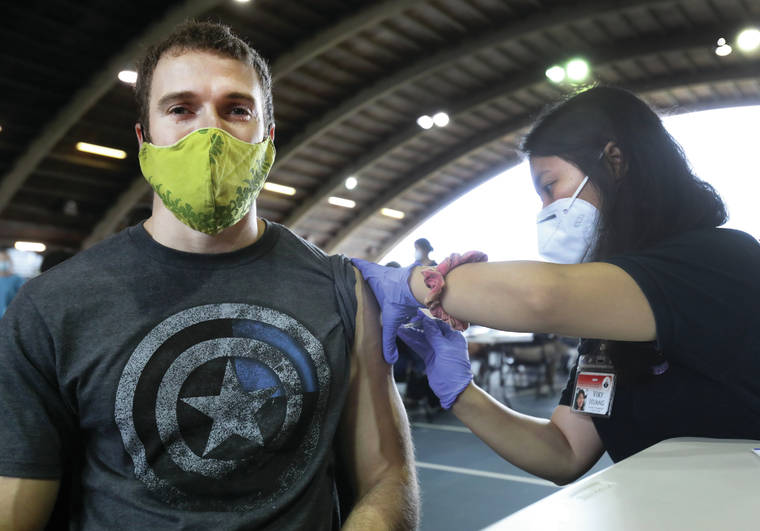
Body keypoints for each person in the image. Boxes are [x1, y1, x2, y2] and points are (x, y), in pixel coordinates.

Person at [0, 22, 417, 530]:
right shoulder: (52, 307)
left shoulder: (341, 289)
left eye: (236, 110)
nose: (209, 134)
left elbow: (386, 475)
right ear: (144, 137)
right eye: (180, 109)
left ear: (267, 137)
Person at [355, 86, 760, 485]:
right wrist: (459, 390)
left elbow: (541, 297)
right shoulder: (607, 326)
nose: (547, 210)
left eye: (550, 187)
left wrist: (412, 282)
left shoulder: (721, 259)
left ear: (615, 160)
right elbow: (564, 451)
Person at [0, 249, 24, 317]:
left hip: (10, 316)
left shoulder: (16, 279)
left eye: (4, 260)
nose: (2, 263)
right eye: (1, 260)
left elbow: (22, 298)